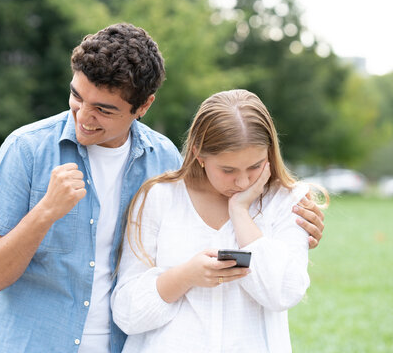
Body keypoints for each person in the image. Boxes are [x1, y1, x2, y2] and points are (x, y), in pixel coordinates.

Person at [0, 23, 325, 353]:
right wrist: (46, 211)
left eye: (103, 110)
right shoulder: (27, 149)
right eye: (76, 96)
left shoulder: (163, 159)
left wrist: (289, 227)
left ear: (143, 106)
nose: (82, 116)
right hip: (31, 343)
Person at [111, 89, 329, 353]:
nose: (243, 182)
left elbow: (284, 292)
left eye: (255, 166)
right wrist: (185, 276)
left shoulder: (288, 200)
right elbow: (126, 313)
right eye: (228, 170)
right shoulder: (159, 198)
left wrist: (240, 212)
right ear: (199, 155)